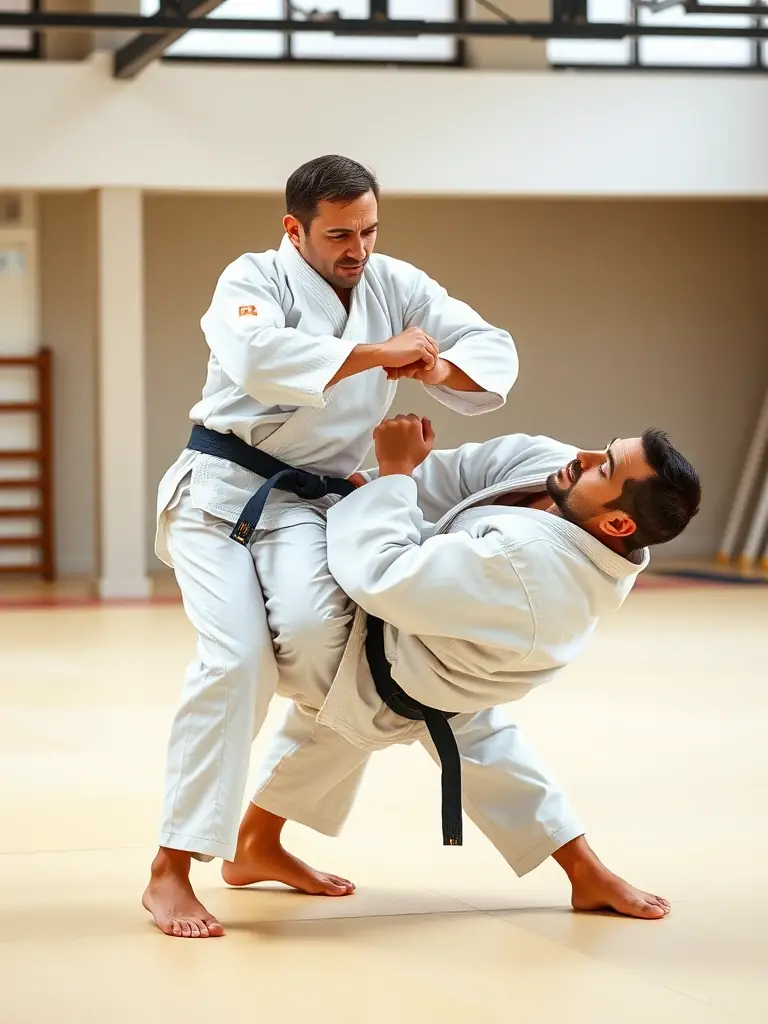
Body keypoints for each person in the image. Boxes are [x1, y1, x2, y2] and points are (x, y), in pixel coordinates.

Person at [142, 156, 520, 938]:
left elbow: (489, 348)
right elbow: (258, 360)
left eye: (370, 230)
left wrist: (435, 362)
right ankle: (172, 868)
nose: (359, 248)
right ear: (295, 229)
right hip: (216, 494)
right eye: (340, 233)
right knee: (237, 660)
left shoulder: (395, 285)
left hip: (304, 505)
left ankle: (262, 841)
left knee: (337, 651)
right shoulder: (250, 279)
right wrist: (385, 355)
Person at [216, 415, 700, 936]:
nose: (581, 457)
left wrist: (393, 475)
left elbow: (381, 575)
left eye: (601, 466)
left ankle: (254, 845)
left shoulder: (537, 570)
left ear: (618, 526)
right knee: (438, 732)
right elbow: (457, 476)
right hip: (427, 658)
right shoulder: (556, 472)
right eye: (602, 447)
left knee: (362, 704)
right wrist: (390, 485)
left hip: (412, 659)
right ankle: (255, 845)